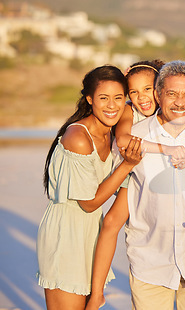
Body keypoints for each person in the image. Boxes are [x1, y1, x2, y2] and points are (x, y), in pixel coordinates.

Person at [89, 60, 185, 310]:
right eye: (171, 94)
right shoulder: (136, 138)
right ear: (159, 95)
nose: (180, 101)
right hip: (149, 263)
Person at [36, 65, 143, 310]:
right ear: (89, 99)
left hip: (91, 231)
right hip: (66, 233)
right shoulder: (78, 137)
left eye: (118, 98)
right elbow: (89, 202)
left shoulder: (113, 134)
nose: (112, 105)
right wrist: (127, 165)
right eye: (103, 98)